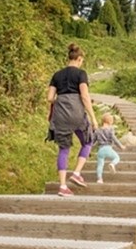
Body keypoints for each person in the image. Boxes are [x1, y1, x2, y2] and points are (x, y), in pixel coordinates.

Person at [47, 43, 99, 197]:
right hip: (77, 114)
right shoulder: (81, 74)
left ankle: (62, 186)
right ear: (79, 59)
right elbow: (84, 96)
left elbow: (50, 98)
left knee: (63, 149)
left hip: (60, 115)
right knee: (88, 141)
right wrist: (93, 118)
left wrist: (61, 102)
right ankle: (76, 173)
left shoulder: (57, 75)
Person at [93, 113, 126, 184]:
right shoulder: (110, 129)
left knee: (100, 165)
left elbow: (93, 141)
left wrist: (90, 149)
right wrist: (121, 146)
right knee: (117, 157)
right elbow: (114, 138)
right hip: (108, 148)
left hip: (100, 150)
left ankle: (99, 179)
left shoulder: (97, 130)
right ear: (110, 122)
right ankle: (112, 164)